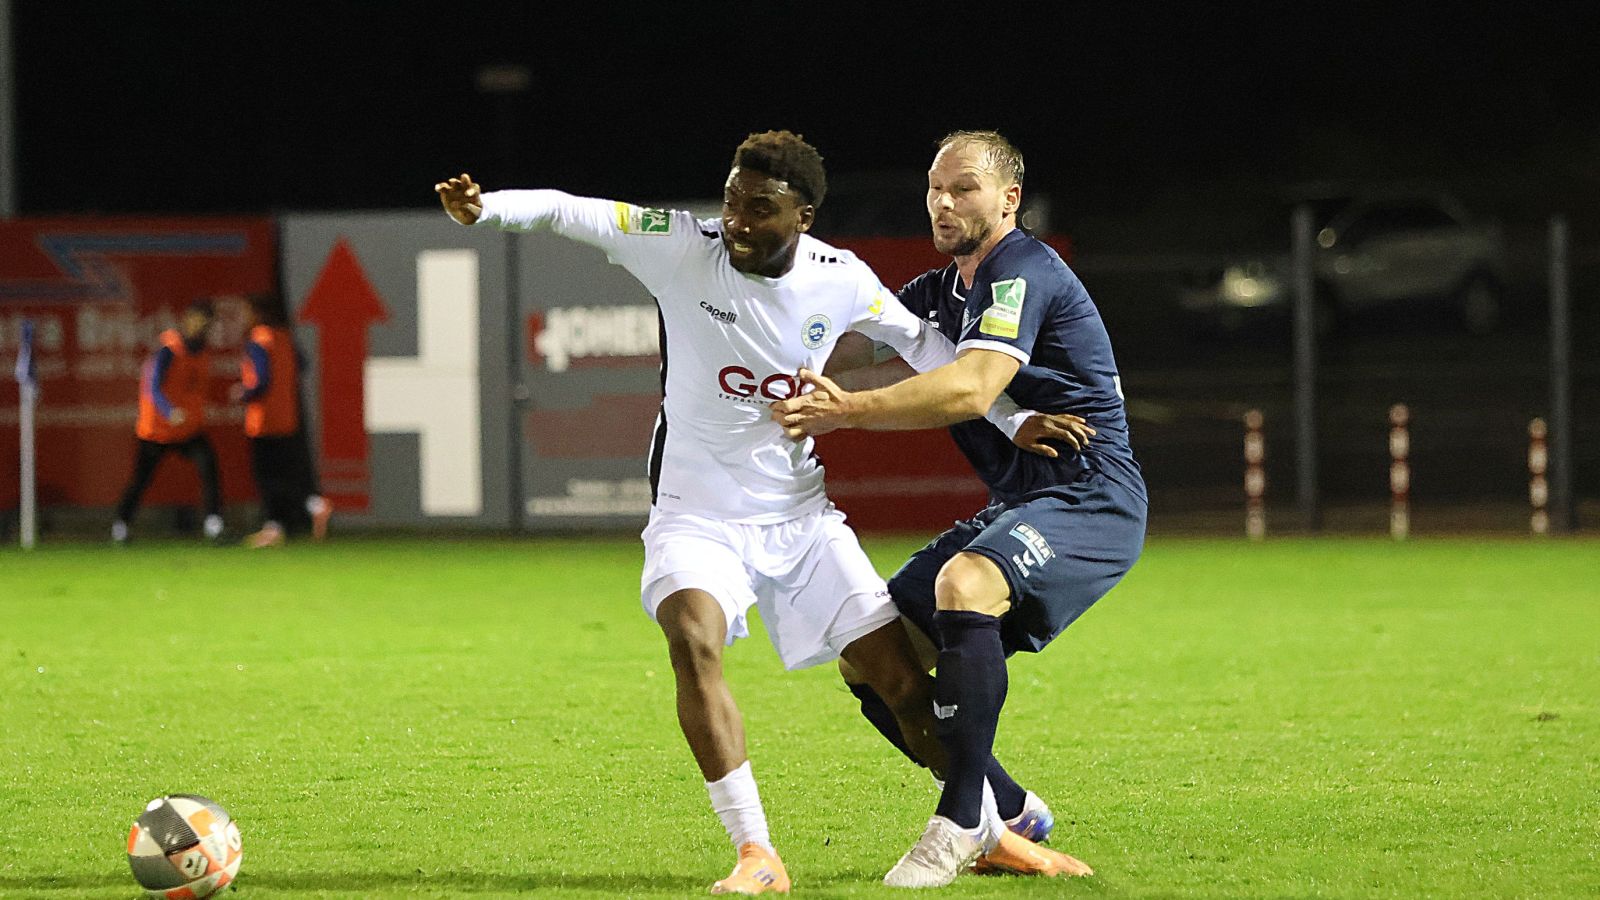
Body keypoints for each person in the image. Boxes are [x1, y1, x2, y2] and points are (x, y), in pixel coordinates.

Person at [436, 131, 1080, 893]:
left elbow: (927, 347)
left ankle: (992, 830)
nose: (736, 221)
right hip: (696, 514)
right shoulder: (682, 247)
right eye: (732, 201)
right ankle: (755, 852)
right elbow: (572, 211)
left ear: (802, 217)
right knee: (692, 639)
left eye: (759, 208)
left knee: (902, 686)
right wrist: (487, 208)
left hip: (801, 520)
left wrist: (1012, 418)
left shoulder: (840, 277)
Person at [771, 130, 1148, 887]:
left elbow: (971, 388)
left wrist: (847, 411)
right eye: (936, 188)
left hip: (1090, 494)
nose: (944, 202)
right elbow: (849, 351)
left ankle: (956, 822)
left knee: (965, 584)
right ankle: (1009, 812)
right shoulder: (939, 292)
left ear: (1009, 199)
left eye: (964, 188)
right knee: (870, 656)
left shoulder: (1021, 271)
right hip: (1021, 501)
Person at [113, 299, 225, 544]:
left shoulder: (202, 351)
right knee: (141, 479)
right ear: (187, 320)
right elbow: (153, 387)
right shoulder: (168, 350)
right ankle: (121, 524)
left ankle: (213, 522)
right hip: (158, 429)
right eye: (198, 320)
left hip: (188, 429)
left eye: (207, 322)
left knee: (209, 467)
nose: (202, 327)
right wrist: (169, 411)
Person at [232, 293, 331, 548]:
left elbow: (261, 380)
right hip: (287, 416)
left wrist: (244, 393)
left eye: (246, 311)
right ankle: (314, 504)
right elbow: (303, 364)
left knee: (268, 477)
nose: (243, 317)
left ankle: (274, 527)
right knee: (287, 473)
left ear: (258, 313)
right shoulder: (285, 337)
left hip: (263, 420)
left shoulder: (258, 340)